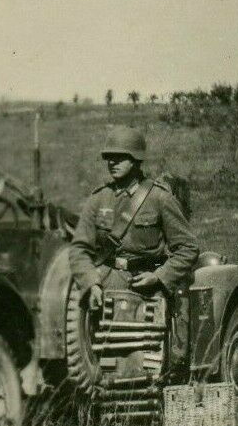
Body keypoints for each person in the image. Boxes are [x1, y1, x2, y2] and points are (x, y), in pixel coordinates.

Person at [68, 126, 199, 310]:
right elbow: (79, 249)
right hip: (105, 289)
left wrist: (160, 276)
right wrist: (91, 283)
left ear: (136, 159)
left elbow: (188, 248)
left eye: (120, 157)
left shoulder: (159, 198)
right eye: (109, 158)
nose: (112, 162)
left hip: (147, 291)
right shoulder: (99, 198)